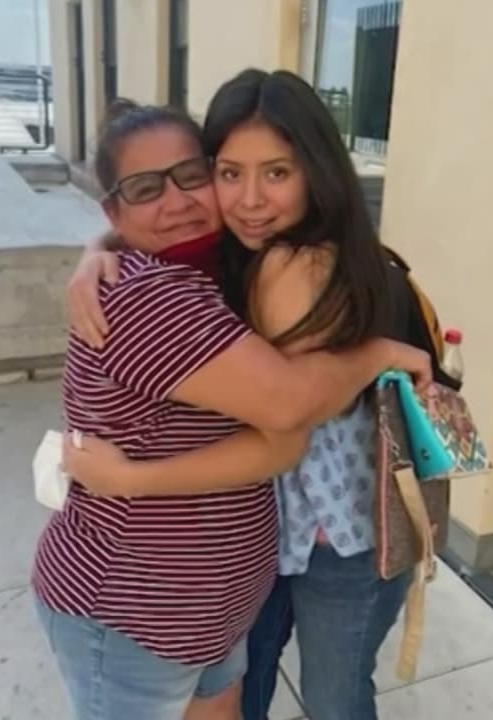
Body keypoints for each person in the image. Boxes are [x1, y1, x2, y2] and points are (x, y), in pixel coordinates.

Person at [32, 97, 432, 720]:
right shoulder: (162, 289)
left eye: (192, 175)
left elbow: (287, 414)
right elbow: (286, 416)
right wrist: (96, 252)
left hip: (258, 578)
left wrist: (102, 244)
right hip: (137, 609)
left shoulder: (246, 262)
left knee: (331, 695)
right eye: (147, 189)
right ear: (114, 207)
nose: (181, 200)